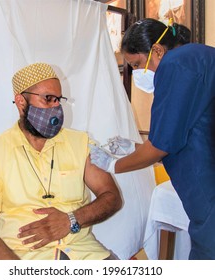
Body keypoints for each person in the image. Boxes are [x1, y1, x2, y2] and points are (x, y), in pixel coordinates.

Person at [90, 18, 215, 260]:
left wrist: (112, 165)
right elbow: (182, 134)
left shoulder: (176, 65)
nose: (137, 73)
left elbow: (160, 146)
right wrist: (134, 148)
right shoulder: (198, 57)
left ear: (157, 50)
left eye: (136, 64)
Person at [0, 62, 122, 260]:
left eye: (58, 100)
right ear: (20, 101)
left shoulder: (81, 143)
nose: (56, 107)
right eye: (48, 99)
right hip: (25, 258)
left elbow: (111, 196)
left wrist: (71, 220)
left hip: (86, 253)